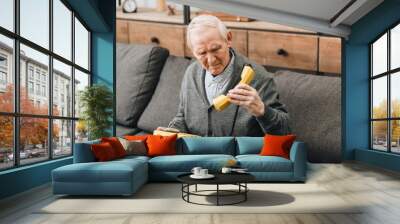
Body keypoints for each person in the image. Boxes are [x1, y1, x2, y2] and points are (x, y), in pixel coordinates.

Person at [163, 15, 290, 136]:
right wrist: (172, 131)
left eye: (215, 49)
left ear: (228, 39)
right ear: (193, 52)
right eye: (202, 53)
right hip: (195, 155)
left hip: (237, 157)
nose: (211, 60)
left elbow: (285, 131)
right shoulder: (191, 73)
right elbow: (182, 116)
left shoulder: (259, 78)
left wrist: (263, 111)